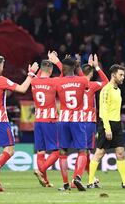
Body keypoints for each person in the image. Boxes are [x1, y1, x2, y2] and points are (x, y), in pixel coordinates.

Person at [0, 56, 39, 192]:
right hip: (0, 120)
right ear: (1, 66)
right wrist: (31, 74)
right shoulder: (1, 80)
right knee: (10, 151)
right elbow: (23, 89)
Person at [87, 64, 125, 189]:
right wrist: (107, 128)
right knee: (99, 153)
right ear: (113, 75)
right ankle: (90, 181)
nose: (123, 77)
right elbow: (103, 111)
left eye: (123, 75)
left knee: (121, 153)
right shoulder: (105, 90)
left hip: (117, 124)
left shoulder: (118, 90)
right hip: (106, 124)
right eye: (121, 75)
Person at [72, 54, 108, 188]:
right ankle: (77, 178)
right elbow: (106, 82)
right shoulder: (92, 85)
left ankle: (90, 178)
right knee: (84, 151)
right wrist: (97, 67)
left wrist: (79, 66)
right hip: (89, 122)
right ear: (91, 74)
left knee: (84, 152)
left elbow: (80, 75)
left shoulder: (76, 83)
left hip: (77, 120)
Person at [55, 57, 89, 191]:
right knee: (82, 150)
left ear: (63, 69)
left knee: (62, 151)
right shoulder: (82, 80)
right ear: (75, 67)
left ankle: (65, 184)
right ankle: (77, 177)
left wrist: (58, 62)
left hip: (63, 119)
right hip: (77, 120)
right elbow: (86, 83)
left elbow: (63, 75)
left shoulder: (58, 81)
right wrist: (79, 67)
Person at [32, 51, 62, 188]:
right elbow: (66, 75)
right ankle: (41, 170)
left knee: (41, 152)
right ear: (50, 70)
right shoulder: (53, 81)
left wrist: (45, 62)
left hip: (38, 120)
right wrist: (56, 61)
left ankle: (45, 181)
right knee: (56, 152)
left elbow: (39, 74)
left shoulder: (34, 81)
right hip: (50, 120)